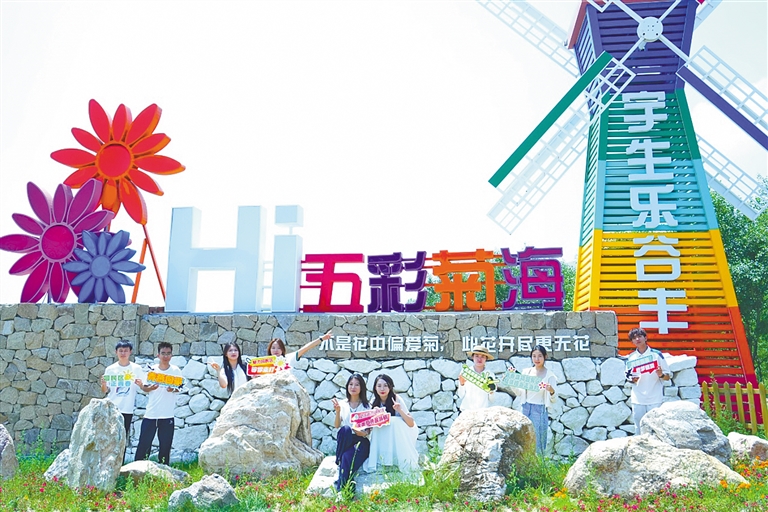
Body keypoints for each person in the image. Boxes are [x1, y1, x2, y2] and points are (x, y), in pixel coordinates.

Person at [134, 342, 182, 465]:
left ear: (171, 355)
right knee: (144, 444)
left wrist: (173, 389)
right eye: (163, 353)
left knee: (165, 446)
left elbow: (180, 388)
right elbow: (144, 387)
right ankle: (136, 469)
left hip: (167, 415)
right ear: (158, 355)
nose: (165, 356)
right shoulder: (152, 370)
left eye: (168, 353)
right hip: (151, 413)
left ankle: (164, 471)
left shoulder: (175, 370)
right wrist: (150, 388)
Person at [363, 373, 419, 473]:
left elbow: (411, 423)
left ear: (390, 387)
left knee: (393, 421)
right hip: (384, 434)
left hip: (401, 431)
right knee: (380, 424)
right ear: (375, 388)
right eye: (379, 386)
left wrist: (399, 410)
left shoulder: (396, 399)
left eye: (385, 385)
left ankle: (399, 458)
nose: (382, 389)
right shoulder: (374, 402)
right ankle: (384, 458)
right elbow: (369, 426)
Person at [508, 345, 557, 455]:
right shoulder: (526, 372)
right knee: (523, 438)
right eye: (534, 356)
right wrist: (511, 381)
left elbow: (554, 399)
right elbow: (519, 393)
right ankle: (525, 463)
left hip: (539, 410)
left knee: (538, 441)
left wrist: (551, 390)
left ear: (545, 357)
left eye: (540, 356)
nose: (537, 359)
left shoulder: (550, 376)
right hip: (525, 408)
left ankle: (539, 463)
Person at [626, 327, 670, 433]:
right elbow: (628, 377)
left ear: (645, 338)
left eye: (639, 336)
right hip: (637, 398)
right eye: (634, 338)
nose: (637, 339)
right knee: (638, 427)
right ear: (632, 341)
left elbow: (668, 376)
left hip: (655, 397)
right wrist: (633, 379)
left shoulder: (656, 355)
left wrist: (661, 375)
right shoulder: (631, 357)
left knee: (656, 427)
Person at [331, 373, 371, 492]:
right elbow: (337, 425)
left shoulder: (367, 406)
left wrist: (361, 432)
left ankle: (342, 490)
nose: (353, 387)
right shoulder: (342, 404)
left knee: (346, 457)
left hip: (360, 441)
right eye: (351, 384)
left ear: (361, 387)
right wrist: (338, 412)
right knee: (345, 429)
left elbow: (368, 431)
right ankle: (340, 459)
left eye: (357, 385)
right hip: (346, 439)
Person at [101, 340, 145, 438]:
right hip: (112, 408)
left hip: (127, 408)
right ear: (116, 352)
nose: (123, 353)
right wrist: (103, 384)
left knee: (123, 437)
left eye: (126, 351)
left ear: (130, 352)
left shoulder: (136, 368)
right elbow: (105, 390)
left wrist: (141, 385)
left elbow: (143, 387)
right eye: (120, 351)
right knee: (110, 436)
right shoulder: (110, 369)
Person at [457, 344, 497, 414]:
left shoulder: (490, 374)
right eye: (477, 356)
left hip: (483, 412)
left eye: (482, 357)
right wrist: (462, 384)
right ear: (472, 357)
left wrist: (491, 391)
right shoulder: (465, 372)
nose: (479, 359)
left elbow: (492, 400)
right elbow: (460, 395)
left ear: (486, 358)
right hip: (467, 411)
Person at [266, 330, 333, 370]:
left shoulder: (289, 358)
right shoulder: (264, 362)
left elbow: (306, 347)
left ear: (282, 349)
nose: (276, 350)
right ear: (269, 350)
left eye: (279, 348)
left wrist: (322, 339)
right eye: (273, 348)